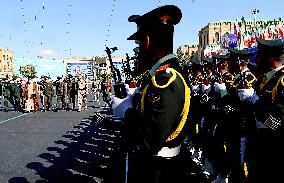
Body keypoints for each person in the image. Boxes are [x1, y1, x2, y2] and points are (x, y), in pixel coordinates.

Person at [111, 5, 192, 183]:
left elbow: (148, 141)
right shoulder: (162, 76)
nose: (138, 51)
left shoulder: (165, 81)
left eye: (139, 44)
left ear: (147, 41)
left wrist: (125, 111)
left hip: (157, 170)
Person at [238, 37, 284, 183]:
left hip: (273, 147)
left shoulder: (282, 80)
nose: (256, 58)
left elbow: (278, 124)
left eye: (260, 54)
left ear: (270, 57)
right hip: (257, 141)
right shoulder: (263, 79)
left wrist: (255, 101)